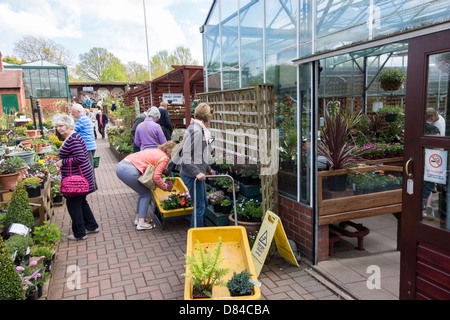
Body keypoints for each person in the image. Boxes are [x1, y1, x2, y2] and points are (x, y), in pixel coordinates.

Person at [53, 114, 99, 241]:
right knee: (81, 202)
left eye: (61, 125)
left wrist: (63, 162)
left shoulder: (73, 138)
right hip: (80, 177)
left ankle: (79, 233)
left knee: (73, 205)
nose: (59, 128)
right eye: (57, 126)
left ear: (68, 125)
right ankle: (91, 226)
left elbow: (80, 158)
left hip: (76, 179)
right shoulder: (74, 136)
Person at [116, 141, 177, 230]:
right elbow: (156, 177)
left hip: (122, 165)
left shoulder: (157, 151)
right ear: (169, 150)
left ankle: (139, 219)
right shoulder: (164, 158)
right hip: (129, 170)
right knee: (146, 194)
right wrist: (165, 187)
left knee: (142, 193)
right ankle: (141, 223)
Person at [178, 103, 215, 228]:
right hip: (192, 174)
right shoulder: (197, 131)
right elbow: (186, 155)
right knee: (199, 206)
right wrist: (197, 172)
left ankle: (199, 229)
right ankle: (196, 235)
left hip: (197, 173)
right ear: (207, 117)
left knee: (203, 202)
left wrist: (208, 168)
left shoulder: (199, 129)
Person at [72, 104, 97, 189]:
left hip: (87, 147)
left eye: (73, 113)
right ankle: (93, 185)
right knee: (90, 166)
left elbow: (72, 131)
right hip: (90, 146)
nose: (73, 115)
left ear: (78, 111)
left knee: (88, 167)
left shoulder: (81, 119)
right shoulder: (85, 118)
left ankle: (91, 186)